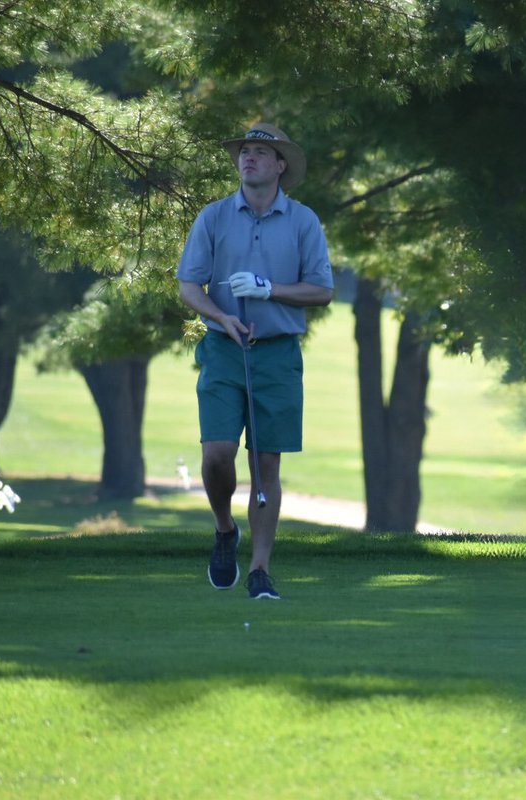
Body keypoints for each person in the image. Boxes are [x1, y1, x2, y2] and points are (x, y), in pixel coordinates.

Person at [177, 123, 334, 600]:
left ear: (280, 165)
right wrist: (221, 316)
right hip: (225, 350)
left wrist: (271, 290)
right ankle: (226, 529)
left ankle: (260, 570)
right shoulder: (215, 216)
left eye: (262, 153)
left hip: (278, 354)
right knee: (217, 457)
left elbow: (323, 290)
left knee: (267, 467)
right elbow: (189, 286)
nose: (249, 158)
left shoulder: (304, 221)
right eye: (245, 151)